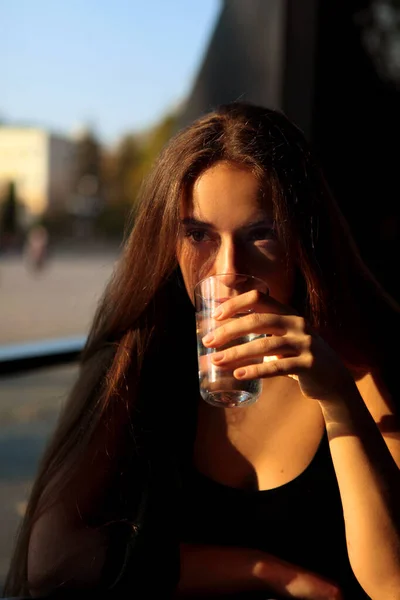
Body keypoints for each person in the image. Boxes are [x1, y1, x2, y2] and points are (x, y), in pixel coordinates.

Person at [3, 102, 400, 600]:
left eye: (263, 233)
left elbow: (392, 583)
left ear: (304, 239)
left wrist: (338, 394)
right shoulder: (141, 355)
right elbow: (50, 561)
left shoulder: (361, 358)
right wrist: (262, 570)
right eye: (198, 235)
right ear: (168, 239)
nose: (226, 270)